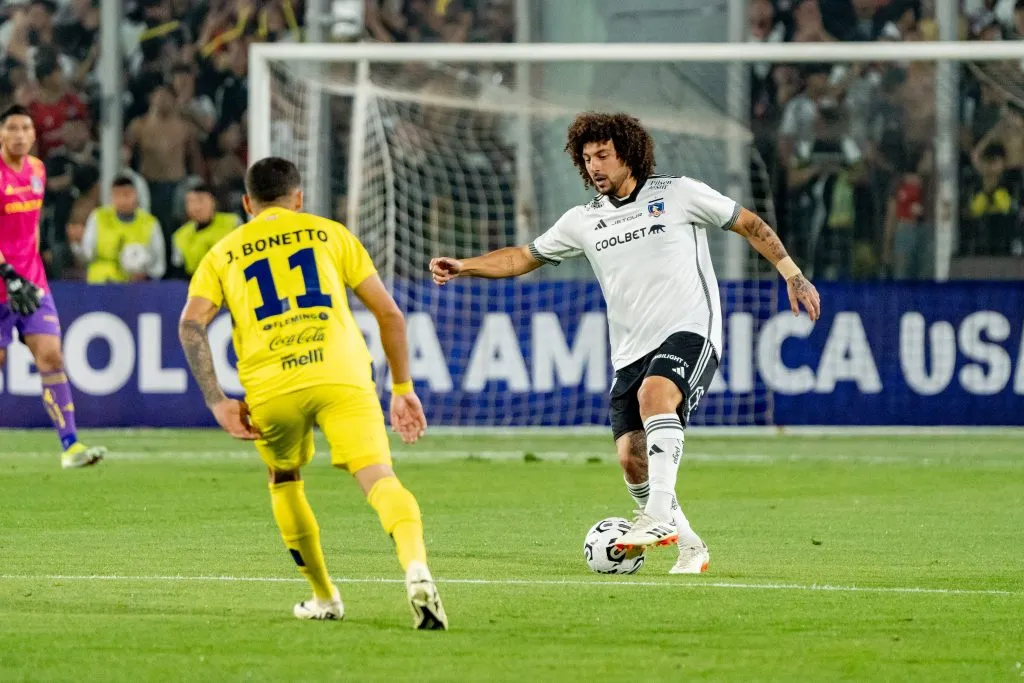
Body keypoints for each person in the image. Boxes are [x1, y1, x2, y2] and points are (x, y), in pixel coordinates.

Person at [429, 113, 821, 574]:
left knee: (655, 395)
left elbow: (749, 224)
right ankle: (690, 546)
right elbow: (524, 256)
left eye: (603, 156)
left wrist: (792, 274)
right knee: (631, 459)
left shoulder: (677, 193)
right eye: (587, 157)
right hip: (630, 349)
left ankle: (655, 516)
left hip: (691, 328)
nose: (594, 166)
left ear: (628, 154)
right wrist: (466, 265)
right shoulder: (583, 221)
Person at [178, 157, 448, 629]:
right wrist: (402, 387)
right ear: (298, 199)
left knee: (284, 478)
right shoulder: (330, 233)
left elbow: (191, 325)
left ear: (246, 204)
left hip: (272, 385)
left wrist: (217, 400)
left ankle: (324, 597)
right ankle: (416, 567)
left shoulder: (223, 251)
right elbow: (390, 315)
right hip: (342, 374)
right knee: (380, 478)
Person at [0, 104, 105, 469]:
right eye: (12, 127)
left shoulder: (39, 171)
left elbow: (30, 228)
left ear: (34, 133)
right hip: (2, 284)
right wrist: (8, 274)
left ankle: (71, 446)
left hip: (32, 284)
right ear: (1, 133)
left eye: (25, 128)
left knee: (52, 357)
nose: (19, 134)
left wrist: (29, 269)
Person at [82, 176, 165, 282]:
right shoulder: (98, 217)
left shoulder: (150, 223)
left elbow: (159, 264)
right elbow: (87, 253)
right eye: (117, 195)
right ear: (111, 197)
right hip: (101, 284)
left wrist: (147, 275)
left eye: (127, 195)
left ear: (136, 195)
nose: (122, 200)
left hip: (137, 287)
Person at [171, 183, 240, 278]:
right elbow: (178, 271)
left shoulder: (233, 223)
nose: (196, 207)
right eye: (190, 202)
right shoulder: (180, 235)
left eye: (200, 200)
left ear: (213, 202)